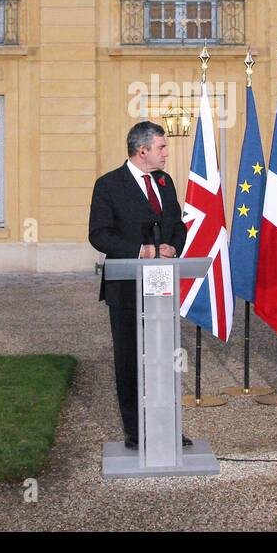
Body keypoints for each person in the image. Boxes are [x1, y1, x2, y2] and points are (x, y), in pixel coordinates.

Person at [88, 121, 190, 450]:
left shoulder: (165, 181)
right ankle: (136, 432)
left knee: (164, 359)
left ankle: (167, 427)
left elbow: (177, 223)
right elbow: (99, 234)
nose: (166, 153)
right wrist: (141, 251)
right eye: (161, 147)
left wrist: (173, 246)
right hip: (126, 288)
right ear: (142, 150)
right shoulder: (109, 185)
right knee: (130, 360)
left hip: (162, 285)